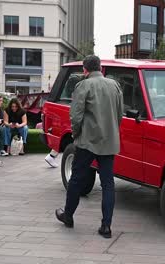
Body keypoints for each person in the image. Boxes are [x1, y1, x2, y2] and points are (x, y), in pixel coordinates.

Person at [55, 55, 123, 239]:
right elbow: (119, 115)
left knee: (77, 179)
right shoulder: (114, 85)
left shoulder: (83, 85)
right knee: (108, 184)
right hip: (109, 142)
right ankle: (106, 226)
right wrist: (112, 132)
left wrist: (76, 135)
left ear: (85, 70)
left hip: (87, 141)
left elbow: (76, 116)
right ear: (100, 68)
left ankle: (68, 216)